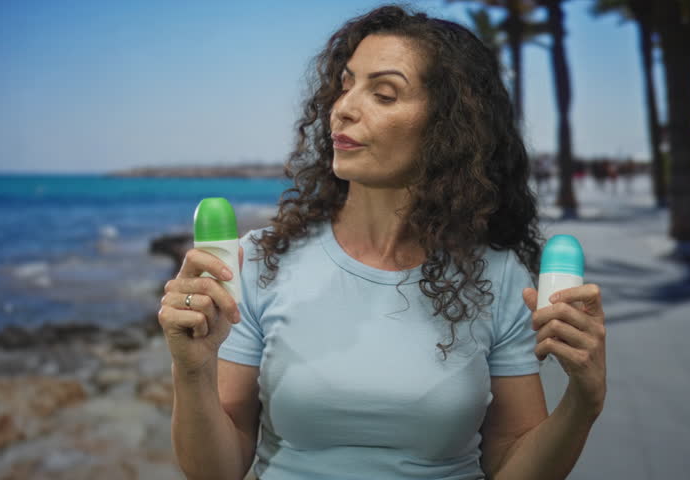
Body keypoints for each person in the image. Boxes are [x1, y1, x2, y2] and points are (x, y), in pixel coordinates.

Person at [157, 5, 607, 480]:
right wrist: (192, 371)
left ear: (448, 127)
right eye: (345, 85)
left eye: (384, 94)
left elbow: (513, 461)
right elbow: (215, 471)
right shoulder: (259, 261)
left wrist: (583, 402)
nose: (343, 109)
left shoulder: (497, 276)